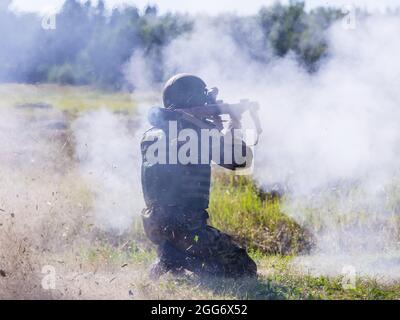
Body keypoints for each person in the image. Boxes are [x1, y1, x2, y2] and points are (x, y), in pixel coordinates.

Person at [141, 74, 257, 279]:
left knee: (184, 241)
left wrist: (206, 123)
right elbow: (241, 161)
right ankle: (177, 259)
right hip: (189, 230)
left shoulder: (149, 135)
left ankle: (171, 256)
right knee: (245, 269)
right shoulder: (197, 133)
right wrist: (234, 122)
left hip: (155, 227)